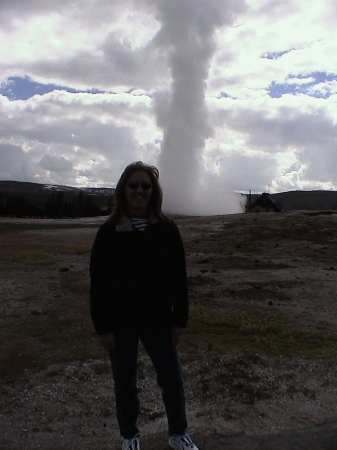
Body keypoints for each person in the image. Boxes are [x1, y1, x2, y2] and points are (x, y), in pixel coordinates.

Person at [89, 161, 199, 450]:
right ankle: (130, 438)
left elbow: (179, 278)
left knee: (173, 381)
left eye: (145, 186)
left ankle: (178, 434)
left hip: (159, 320)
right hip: (120, 322)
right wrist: (103, 328)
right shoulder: (109, 233)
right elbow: (98, 284)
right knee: (125, 386)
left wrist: (180, 319)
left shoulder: (167, 230)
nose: (140, 190)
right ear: (123, 190)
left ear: (154, 191)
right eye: (133, 185)